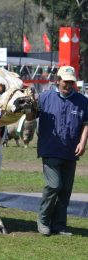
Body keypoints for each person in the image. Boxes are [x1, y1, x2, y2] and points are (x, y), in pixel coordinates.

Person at [36, 65, 88, 236]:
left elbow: (86, 124)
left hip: (71, 151)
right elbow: (30, 115)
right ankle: (43, 221)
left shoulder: (83, 101)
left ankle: (59, 226)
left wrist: (82, 143)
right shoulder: (44, 98)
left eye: (71, 82)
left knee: (65, 191)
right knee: (54, 185)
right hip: (50, 149)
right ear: (58, 81)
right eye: (65, 82)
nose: (68, 85)